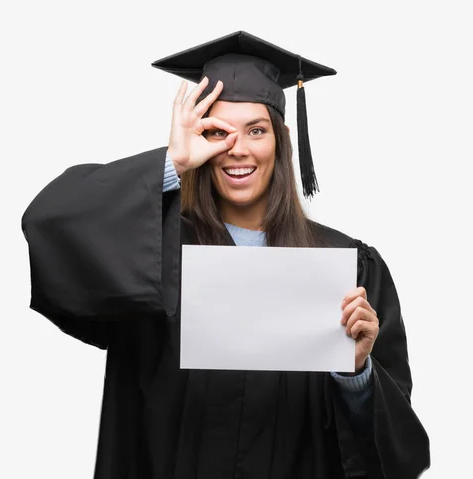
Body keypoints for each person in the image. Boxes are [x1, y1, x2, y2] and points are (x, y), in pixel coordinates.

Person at [22, 31, 430, 479]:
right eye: (217, 132)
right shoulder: (154, 251)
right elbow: (50, 222)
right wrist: (172, 162)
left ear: (281, 139)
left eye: (256, 130)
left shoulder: (346, 265)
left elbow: (400, 455)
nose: (237, 149)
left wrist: (357, 374)